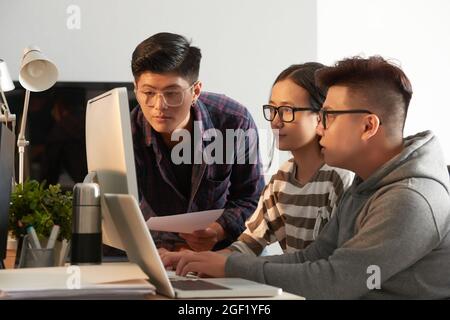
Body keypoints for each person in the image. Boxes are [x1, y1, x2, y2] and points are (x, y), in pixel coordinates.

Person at [161, 56, 450, 299]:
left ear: (368, 126)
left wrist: (228, 268)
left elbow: (334, 279)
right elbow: (311, 257)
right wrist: (212, 261)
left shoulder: (410, 199)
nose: (320, 128)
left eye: (328, 116)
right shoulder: (368, 185)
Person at [130, 32, 265, 252]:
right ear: (136, 89)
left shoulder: (233, 120)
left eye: (171, 93)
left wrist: (218, 229)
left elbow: (253, 198)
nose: (158, 105)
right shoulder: (126, 131)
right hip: (155, 253)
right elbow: (116, 210)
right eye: (148, 92)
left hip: (221, 252)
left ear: (196, 91)